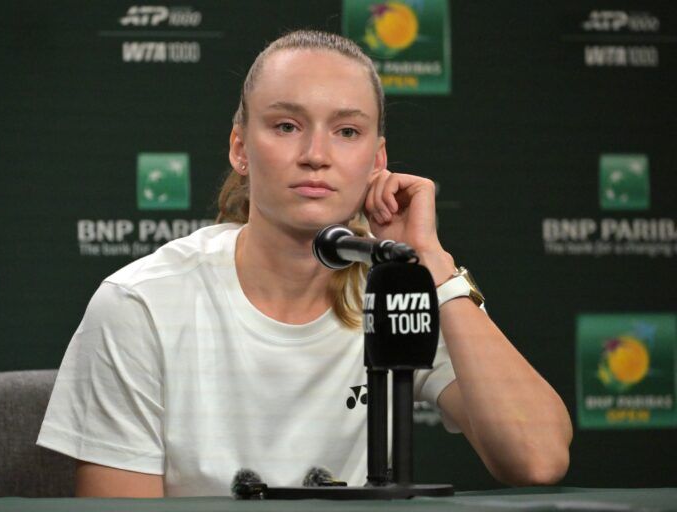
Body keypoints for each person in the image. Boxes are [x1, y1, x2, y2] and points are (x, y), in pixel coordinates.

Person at [37, 30, 572, 498]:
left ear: (377, 161)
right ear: (240, 148)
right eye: (287, 126)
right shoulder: (142, 304)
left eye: (347, 131)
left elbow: (537, 459)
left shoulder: (397, 293)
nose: (316, 153)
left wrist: (432, 265)